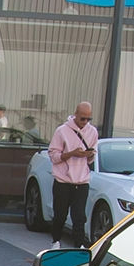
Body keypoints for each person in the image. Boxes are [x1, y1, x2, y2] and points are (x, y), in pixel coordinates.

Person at [47, 101, 97, 249]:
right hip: (63, 180)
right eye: (82, 118)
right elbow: (53, 156)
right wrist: (72, 154)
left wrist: (88, 155)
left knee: (79, 216)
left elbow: (92, 156)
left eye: (89, 119)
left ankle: (79, 245)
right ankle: (55, 242)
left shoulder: (92, 132)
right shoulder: (62, 131)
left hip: (82, 181)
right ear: (75, 115)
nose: (85, 122)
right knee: (60, 214)